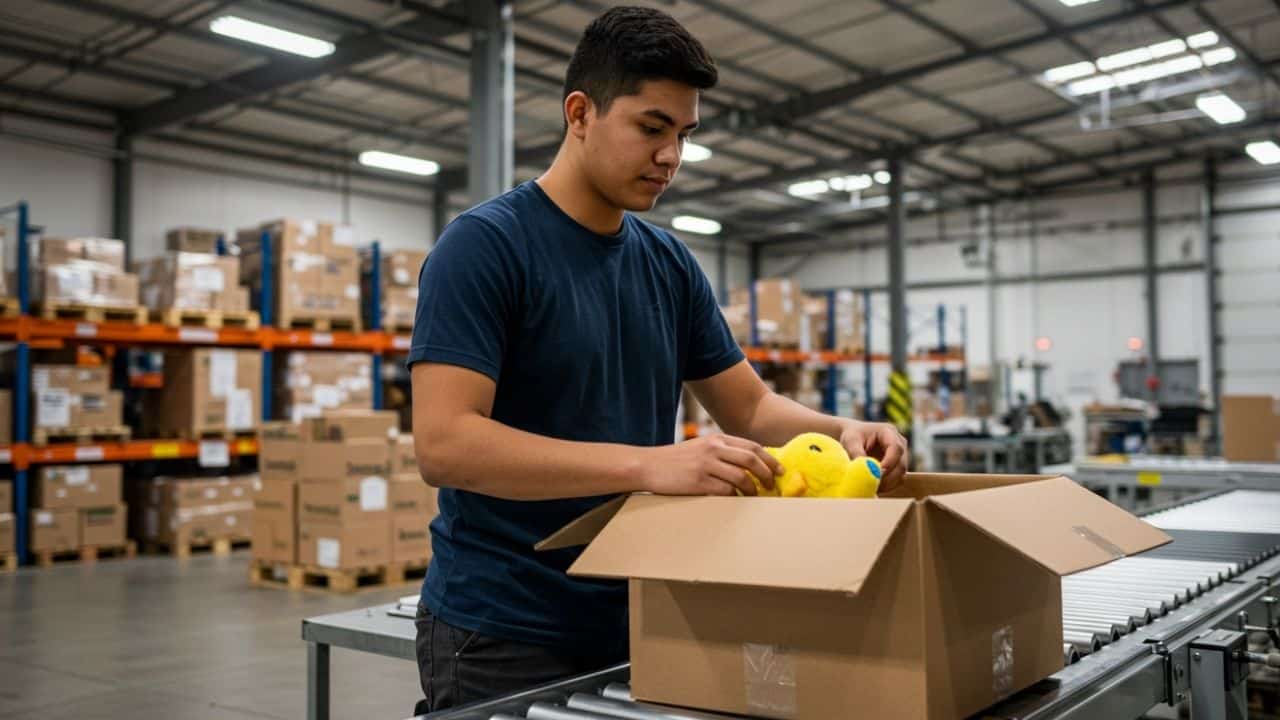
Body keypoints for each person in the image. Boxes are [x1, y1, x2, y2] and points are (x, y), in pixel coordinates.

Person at [407, 5, 909, 713]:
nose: (671, 156)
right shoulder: (486, 248)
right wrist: (650, 464)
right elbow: (446, 443)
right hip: (504, 627)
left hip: (640, 607)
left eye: (683, 134)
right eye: (651, 127)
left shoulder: (667, 263)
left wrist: (844, 431)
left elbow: (752, 407)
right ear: (580, 113)